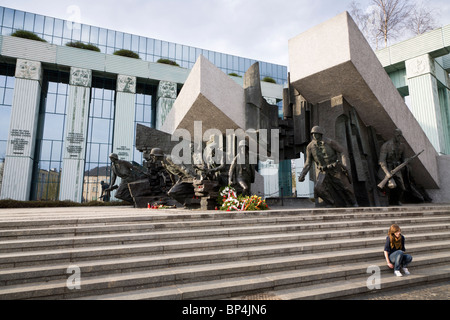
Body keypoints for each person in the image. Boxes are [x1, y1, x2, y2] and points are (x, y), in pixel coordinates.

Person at [298, 126, 357, 207]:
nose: (315, 136)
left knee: (346, 187)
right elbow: (308, 163)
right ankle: (331, 203)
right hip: (323, 171)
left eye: (316, 134)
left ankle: (353, 203)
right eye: (313, 134)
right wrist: (302, 174)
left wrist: (345, 165)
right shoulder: (310, 147)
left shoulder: (330, 142)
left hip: (335, 168)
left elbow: (342, 151)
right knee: (318, 188)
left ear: (321, 134)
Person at [379, 129, 407, 205]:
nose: (399, 137)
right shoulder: (386, 146)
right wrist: (387, 173)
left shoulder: (402, 146)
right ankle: (387, 202)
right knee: (387, 186)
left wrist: (406, 161)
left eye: (400, 136)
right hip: (386, 168)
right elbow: (382, 161)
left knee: (401, 187)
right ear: (394, 135)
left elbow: (404, 159)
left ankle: (397, 201)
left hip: (397, 168)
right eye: (398, 136)